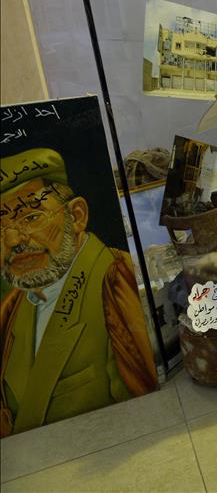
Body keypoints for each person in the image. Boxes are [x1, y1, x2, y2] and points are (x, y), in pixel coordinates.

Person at [1, 149, 158, 436]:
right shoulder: (12, 307)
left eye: (31, 217)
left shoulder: (113, 279)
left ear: (77, 216)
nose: (12, 240)